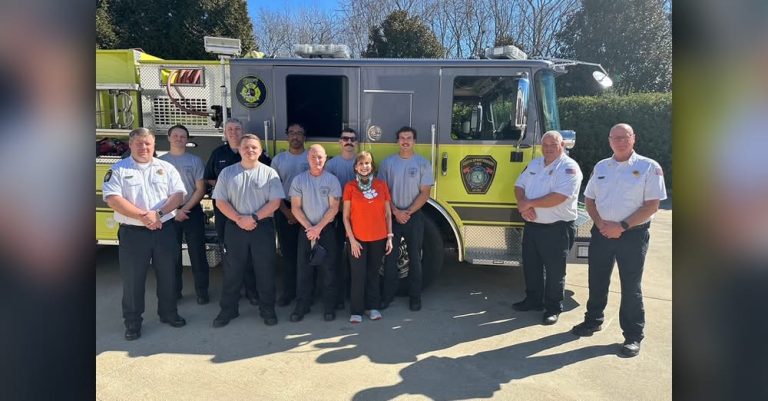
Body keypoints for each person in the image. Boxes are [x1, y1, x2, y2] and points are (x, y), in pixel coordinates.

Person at [571, 123, 667, 358]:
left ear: (633, 138)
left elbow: (652, 205)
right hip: (602, 233)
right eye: (616, 137)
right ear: (609, 140)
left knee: (631, 286)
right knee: (597, 279)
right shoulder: (601, 166)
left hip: (632, 235)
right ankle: (593, 320)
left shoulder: (649, 167)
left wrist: (621, 226)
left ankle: (633, 336)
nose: (620, 141)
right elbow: (590, 199)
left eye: (625, 137)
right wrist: (602, 224)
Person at [102, 127, 188, 340]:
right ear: (130, 145)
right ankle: (132, 323)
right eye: (139, 143)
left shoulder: (166, 167)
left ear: (154, 145)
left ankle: (168, 313)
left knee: (168, 275)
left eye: (147, 143)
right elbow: (113, 199)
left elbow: (178, 195)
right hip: (133, 234)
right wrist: (144, 216)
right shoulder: (119, 169)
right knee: (133, 280)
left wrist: (157, 214)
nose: (144, 147)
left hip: (164, 230)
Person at [210, 135, 284, 327]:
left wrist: (253, 218)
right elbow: (220, 202)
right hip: (235, 228)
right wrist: (238, 219)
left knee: (265, 270)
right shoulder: (227, 173)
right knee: (233, 271)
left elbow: (275, 202)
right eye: (246, 147)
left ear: (260, 151)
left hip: (262, 228)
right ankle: (228, 310)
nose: (250, 150)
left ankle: (267, 310)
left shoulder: (270, 173)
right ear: (239, 150)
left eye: (254, 147)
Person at [512, 131, 583, 325]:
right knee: (531, 266)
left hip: (557, 229)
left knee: (554, 272)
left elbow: (559, 197)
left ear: (562, 145)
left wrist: (528, 204)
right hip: (532, 225)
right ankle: (533, 300)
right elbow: (519, 186)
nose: (549, 148)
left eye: (553, 144)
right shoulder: (535, 164)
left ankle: (553, 307)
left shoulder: (569, 167)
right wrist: (522, 205)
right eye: (545, 144)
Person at [204, 118, 270, 305]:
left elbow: (266, 178)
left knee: (250, 255)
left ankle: (251, 291)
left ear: (243, 131)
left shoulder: (258, 155)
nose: (233, 132)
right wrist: (225, 186)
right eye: (229, 129)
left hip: (254, 214)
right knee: (230, 252)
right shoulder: (218, 154)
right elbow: (208, 178)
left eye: (237, 129)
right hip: (227, 213)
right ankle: (234, 291)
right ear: (225, 132)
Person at [378, 126, 435, 311]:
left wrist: (408, 212)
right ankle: (387, 296)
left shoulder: (423, 163)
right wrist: (395, 212)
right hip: (392, 217)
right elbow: (382, 192)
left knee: (415, 259)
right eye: (402, 137)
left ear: (414, 141)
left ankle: (415, 297)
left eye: (409, 138)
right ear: (397, 141)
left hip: (414, 217)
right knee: (390, 258)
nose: (405, 141)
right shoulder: (387, 163)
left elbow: (425, 193)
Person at [288, 144, 342, 322]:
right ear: (307, 159)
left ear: (325, 158)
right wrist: (309, 228)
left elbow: (334, 208)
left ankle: (329, 306)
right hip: (306, 231)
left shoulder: (332, 180)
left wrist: (318, 228)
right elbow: (295, 208)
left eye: (320, 157)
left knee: (329, 270)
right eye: (313, 157)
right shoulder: (299, 180)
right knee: (303, 270)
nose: (317, 160)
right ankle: (302, 305)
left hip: (326, 231)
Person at [159, 124, 210, 305]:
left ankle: (202, 292)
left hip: (192, 211)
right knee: (172, 256)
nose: (179, 139)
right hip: (168, 213)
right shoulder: (159, 162)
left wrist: (185, 208)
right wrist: (174, 210)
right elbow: (158, 191)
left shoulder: (195, 161)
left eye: (183, 136)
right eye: (176, 135)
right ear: (169, 137)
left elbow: (200, 189)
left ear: (187, 139)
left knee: (198, 254)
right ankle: (175, 292)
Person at [343, 151, 394, 323]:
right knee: (358, 275)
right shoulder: (350, 187)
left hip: (379, 238)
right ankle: (356, 310)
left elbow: (388, 214)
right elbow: (345, 216)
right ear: (356, 167)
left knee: (373, 274)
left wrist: (389, 237)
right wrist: (352, 240)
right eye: (361, 164)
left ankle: (373, 307)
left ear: (372, 166)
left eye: (368, 163)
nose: (365, 167)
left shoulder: (381, 185)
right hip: (357, 240)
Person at [271, 123, 309, 306]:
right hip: (285, 210)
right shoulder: (278, 160)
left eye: (299, 133)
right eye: (292, 133)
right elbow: (275, 190)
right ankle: (288, 292)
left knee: (307, 255)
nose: (295, 136)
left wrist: (300, 214)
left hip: (307, 212)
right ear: (287, 136)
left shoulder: (311, 158)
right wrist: (287, 212)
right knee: (288, 255)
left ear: (304, 137)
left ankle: (308, 292)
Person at [324, 128, 359, 310]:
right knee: (336, 256)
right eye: (345, 138)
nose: (349, 142)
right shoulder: (331, 165)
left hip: (357, 219)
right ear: (340, 142)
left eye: (352, 139)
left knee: (355, 258)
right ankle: (337, 297)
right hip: (336, 217)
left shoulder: (361, 163)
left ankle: (352, 294)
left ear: (356, 143)